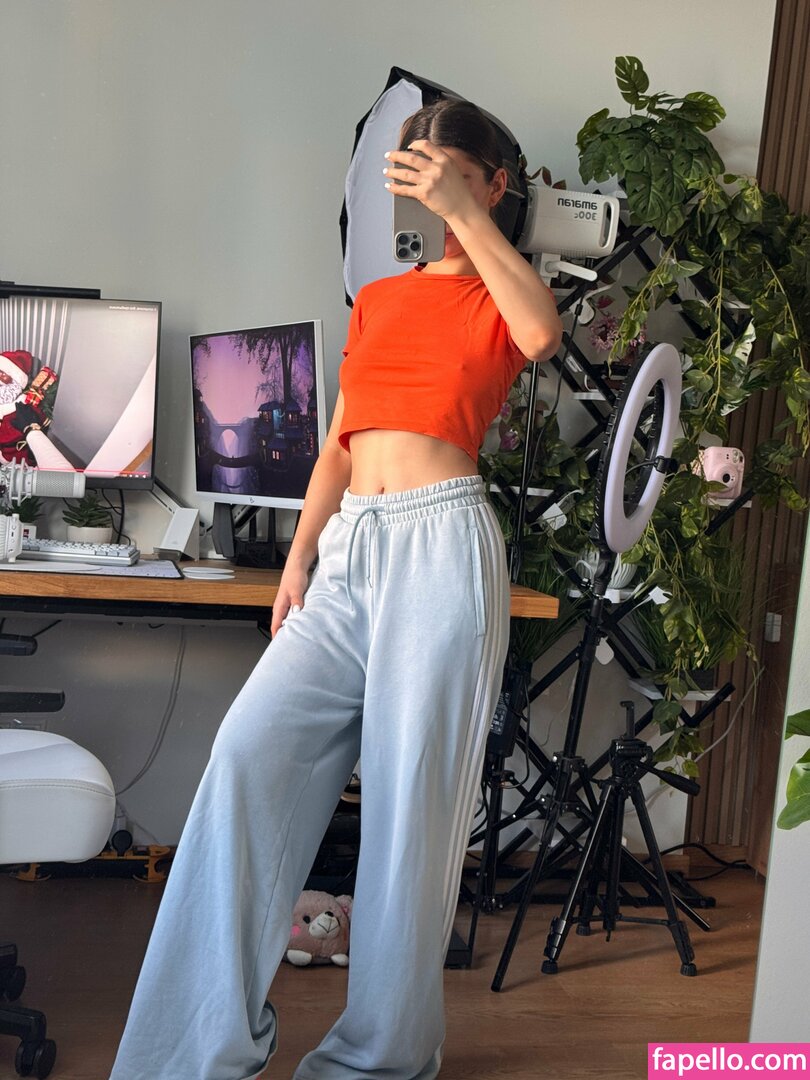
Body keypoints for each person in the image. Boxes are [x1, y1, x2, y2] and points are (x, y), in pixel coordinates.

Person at [110, 99, 562, 1080]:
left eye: (447, 175)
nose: (427, 193)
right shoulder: (381, 298)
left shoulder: (502, 287)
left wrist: (468, 214)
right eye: (414, 176)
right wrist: (300, 559)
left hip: (442, 543)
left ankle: (378, 1061)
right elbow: (338, 445)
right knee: (247, 760)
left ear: (494, 183)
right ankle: (192, 1051)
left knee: (409, 813)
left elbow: (540, 334)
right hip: (352, 545)